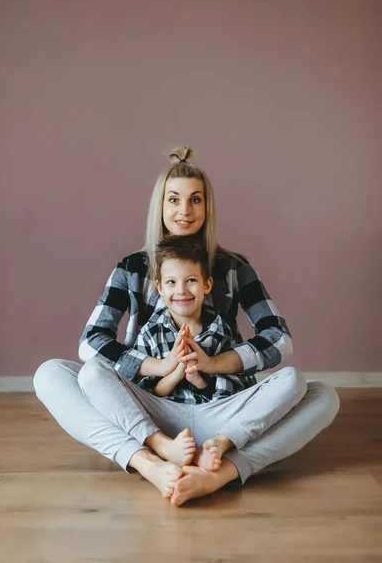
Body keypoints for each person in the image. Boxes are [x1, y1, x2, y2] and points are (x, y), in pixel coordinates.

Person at [33, 145, 340, 507]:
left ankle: (221, 471)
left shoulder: (232, 268)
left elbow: (279, 339)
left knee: (322, 395)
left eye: (195, 200)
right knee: (52, 374)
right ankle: (149, 461)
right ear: (159, 207)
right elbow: (91, 345)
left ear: (207, 208)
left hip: (224, 410)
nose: (184, 211)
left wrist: (213, 363)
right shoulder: (132, 267)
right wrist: (160, 367)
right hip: (149, 408)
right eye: (174, 199)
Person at [133, 234, 254, 402]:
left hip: (208, 413)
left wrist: (197, 379)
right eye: (171, 282)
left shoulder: (220, 331)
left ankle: (220, 431)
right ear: (159, 288)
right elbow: (142, 393)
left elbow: (232, 392)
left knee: (291, 380)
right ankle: (161, 431)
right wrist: (176, 374)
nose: (181, 290)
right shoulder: (150, 333)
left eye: (191, 280)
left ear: (207, 285)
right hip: (165, 414)